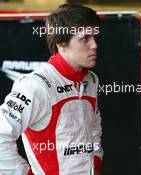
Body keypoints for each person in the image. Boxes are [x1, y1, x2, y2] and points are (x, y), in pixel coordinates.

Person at [0, 4, 103, 175]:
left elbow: (93, 127)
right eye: (85, 39)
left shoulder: (91, 80)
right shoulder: (35, 85)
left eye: (94, 37)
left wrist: (96, 162)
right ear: (61, 43)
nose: (94, 45)